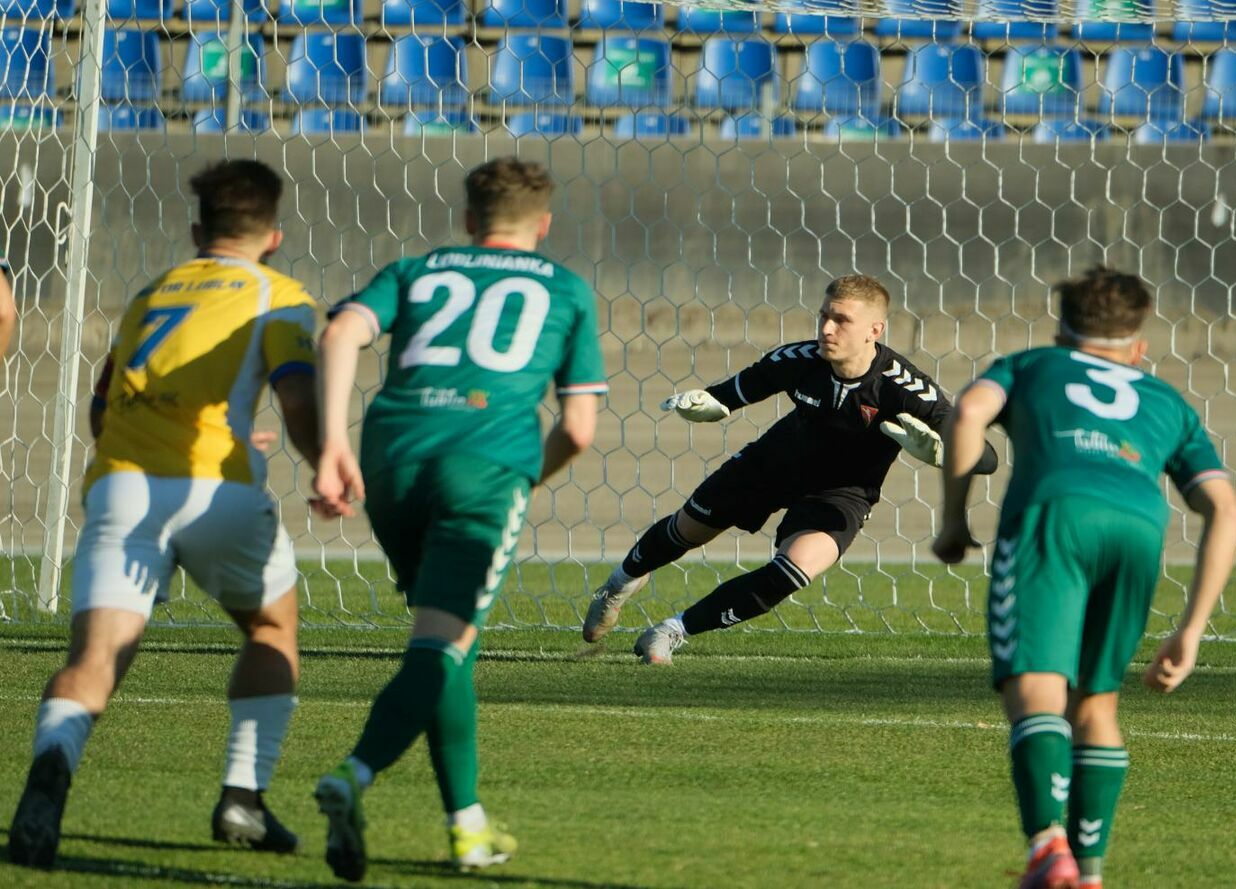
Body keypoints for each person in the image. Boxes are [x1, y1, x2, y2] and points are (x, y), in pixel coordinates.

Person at [7, 159, 328, 868]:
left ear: (195, 231)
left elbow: (100, 408)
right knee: (272, 625)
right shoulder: (277, 293)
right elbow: (299, 397)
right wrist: (326, 459)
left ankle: (50, 776)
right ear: (273, 235)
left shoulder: (151, 295)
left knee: (93, 659)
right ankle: (243, 796)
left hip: (122, 487)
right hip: (216, 490)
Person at [313, 157, 605, 879]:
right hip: (483, 471)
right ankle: (353, 772)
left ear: (470, 219)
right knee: (441, 644)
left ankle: (466, 825)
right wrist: (520, 475)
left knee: (449, 642)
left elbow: (340, 333)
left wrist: (331, 445)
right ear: (542, 223)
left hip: (391, 463)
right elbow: (578, 427)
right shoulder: (566, 289)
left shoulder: (413, 269)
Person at [932, 266, 1236, 889]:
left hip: (1056, 515)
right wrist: (1191, 629)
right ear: (1138, 346)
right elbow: (1225, 510)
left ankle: (1048, 848)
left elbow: (966, 413)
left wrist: (953, 520)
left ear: (1061, 330)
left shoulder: (1029, 365)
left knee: (1036, 689)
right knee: (1096, 704)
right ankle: (1089, 871)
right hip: (1137, 532)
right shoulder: (1168, 402)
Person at [584, 274, 999, 663]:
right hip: (771, 464)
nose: (827, 329)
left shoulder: (905, 386)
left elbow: (988, 458)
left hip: (843, 492)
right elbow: (727, 396)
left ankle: (671, 631)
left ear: (875, 330)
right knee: (686, 530)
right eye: (824, 316)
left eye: (841, 320)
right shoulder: (797, 359)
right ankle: (619, 585)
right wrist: (705, 406)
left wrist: (944, 453)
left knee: (794, 570)